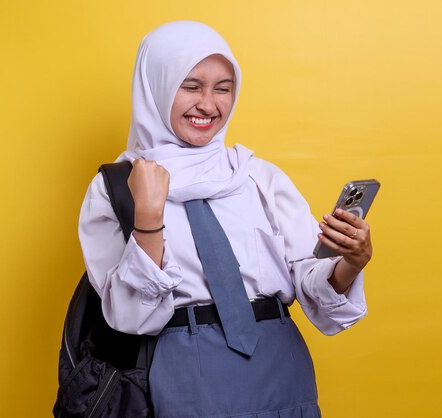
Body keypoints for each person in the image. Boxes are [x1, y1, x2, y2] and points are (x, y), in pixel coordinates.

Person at [79, 20, 372, 418]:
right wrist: (148, 216)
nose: (209, 104)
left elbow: (310, 278)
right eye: (191, 86)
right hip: (182, 374)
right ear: (156, 86)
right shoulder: (115, 187)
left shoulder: (257, 176)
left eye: (223, 88)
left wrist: (350, 262)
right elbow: (132, 317)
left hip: (281, 365)